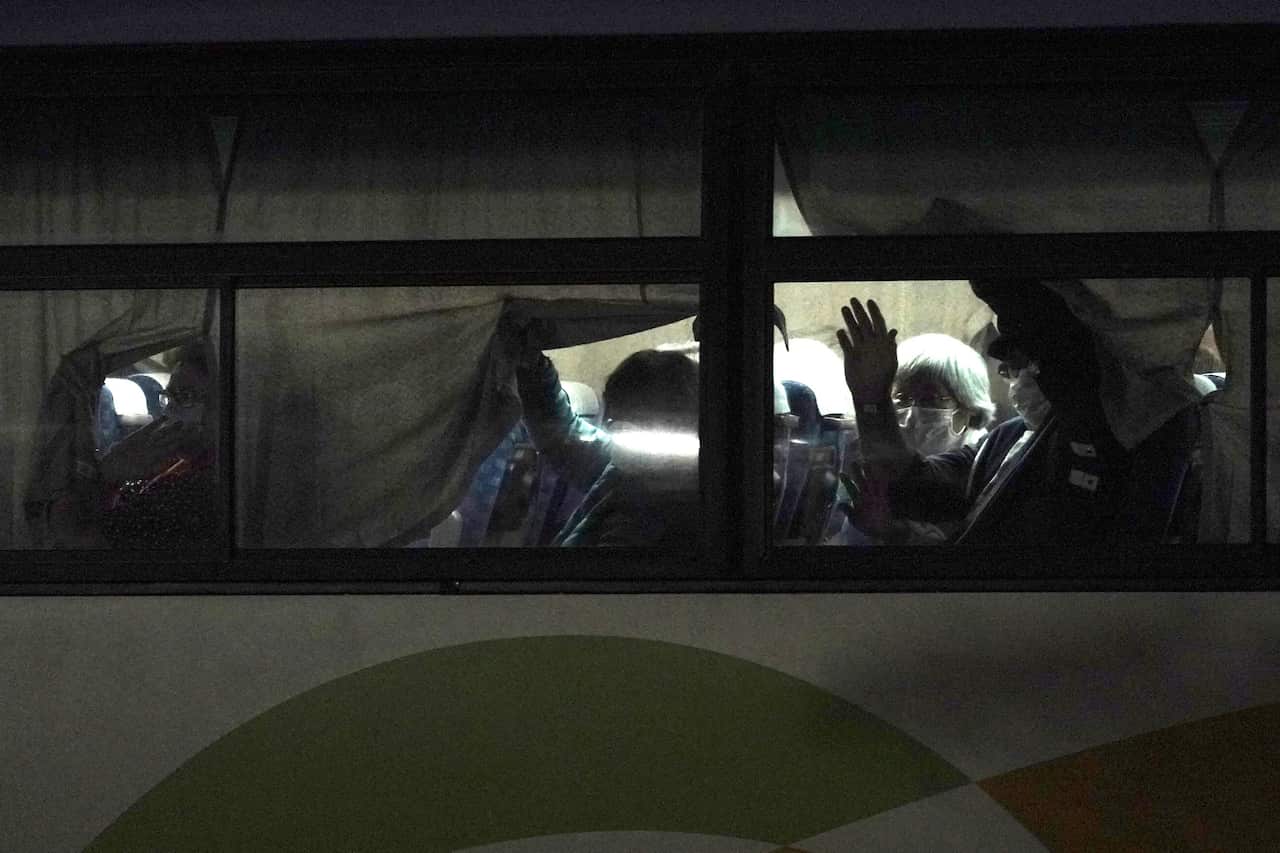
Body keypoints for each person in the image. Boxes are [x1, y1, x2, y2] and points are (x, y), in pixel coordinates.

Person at [837, 281, 1198, 545]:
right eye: (1010, 368)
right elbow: (910, 485)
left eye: (1025, 361)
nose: (1017, 375)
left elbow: (1065, 360)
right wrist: (872, 399)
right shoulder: (1007, 438)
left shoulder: (1113, 432)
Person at [516, 345, 699, 547]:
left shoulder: (695, 505)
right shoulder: (622, 464)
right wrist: (533, 368)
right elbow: (562, 436)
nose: (614, 428)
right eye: (616, 422)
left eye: (632, 421)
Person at [94, 344, 220, 548]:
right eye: (169, 396)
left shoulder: (195, 489)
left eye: (185, 396)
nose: (169, 411)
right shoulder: (167, 463)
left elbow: (89, 538)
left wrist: (109, 471)